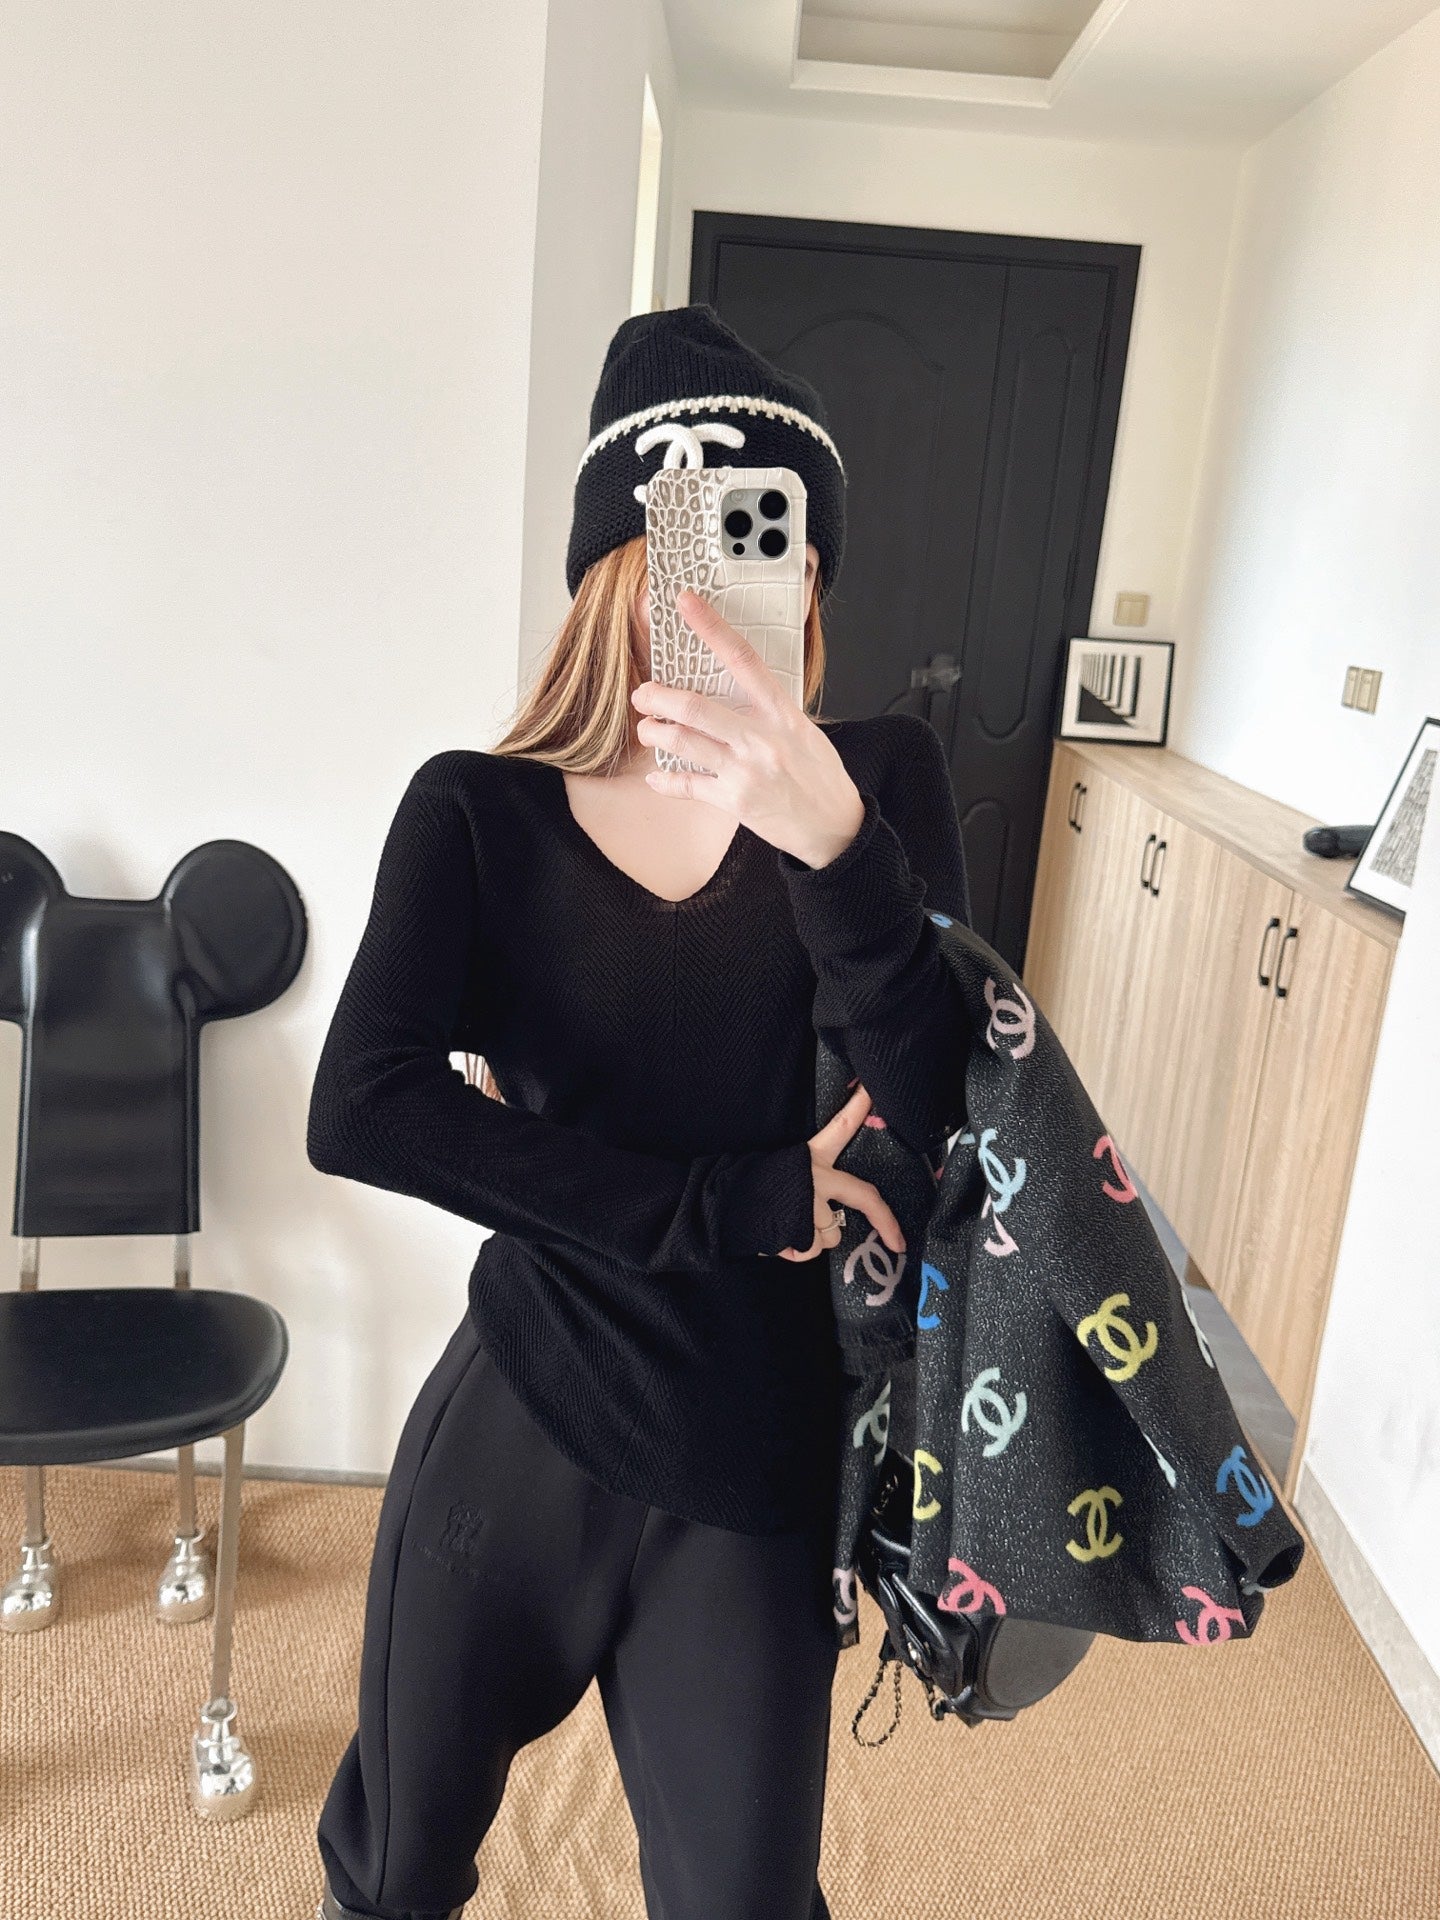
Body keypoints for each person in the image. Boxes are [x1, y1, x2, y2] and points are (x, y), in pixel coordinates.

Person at [306, 303, 973, 1920]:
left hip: (756, 1457)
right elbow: (362, 1108)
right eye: (698, 546)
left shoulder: (876, 787)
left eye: (776, 545)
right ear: (620, 569)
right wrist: (727, 1200)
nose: (740, 595)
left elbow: (945, 1113)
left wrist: (831, 848)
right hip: (522, 1421)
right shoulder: (480, 813)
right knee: (393, 1872)